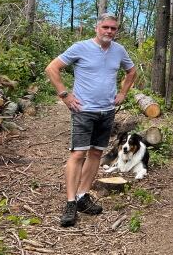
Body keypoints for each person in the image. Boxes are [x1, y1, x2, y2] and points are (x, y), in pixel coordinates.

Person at [45, 12, 136, 227]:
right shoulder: (81, 47)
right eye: (105, 27)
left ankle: (82, 196)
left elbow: (131, 72)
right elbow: (52, 68)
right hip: (83, 110)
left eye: (113, 28)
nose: (109, 31)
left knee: (96, 153)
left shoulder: (119, 50)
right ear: (97, 28)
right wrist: (65, 95)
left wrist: (122, 93)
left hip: (107, 111)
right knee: (78, 154)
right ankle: (70, 203)